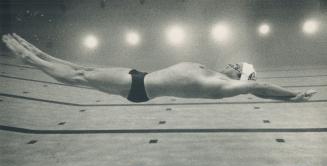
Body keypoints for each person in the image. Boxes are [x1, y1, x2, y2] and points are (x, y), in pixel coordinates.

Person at [2, 33, 316, 103]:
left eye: (238, 67)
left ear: (241, 77)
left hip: (140, 87)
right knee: (81, 68)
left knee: (80, 78)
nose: (232, 65)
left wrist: (292, 97)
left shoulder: (226, 86)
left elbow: (259, 87)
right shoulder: (215, 74)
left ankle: (29, 60)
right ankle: (37, 53)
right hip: (139, 76)